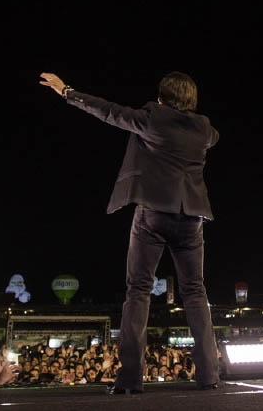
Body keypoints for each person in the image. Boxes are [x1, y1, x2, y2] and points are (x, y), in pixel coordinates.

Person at [39, 71, 221, 395]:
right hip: (192, 218)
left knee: (138, 290)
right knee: (195, 292)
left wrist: (67, 91)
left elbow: (108, 111)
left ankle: (130, 378)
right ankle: (209, 375)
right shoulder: (204, 129)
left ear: (162, 97)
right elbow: (214, 137)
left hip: (153, 215)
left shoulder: (152, 120)